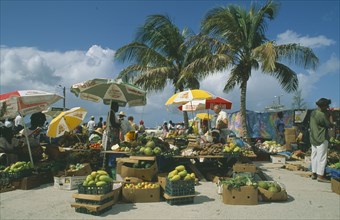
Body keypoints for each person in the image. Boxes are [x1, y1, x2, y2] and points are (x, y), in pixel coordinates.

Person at [309, 98, 334, 182]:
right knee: (322, 157)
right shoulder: (322, 115)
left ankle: (314, 173)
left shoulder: (313, 113)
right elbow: (330, 125)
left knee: (314, 156)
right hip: (321, 138)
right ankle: (320, 176)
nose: (328, 107)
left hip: (313, 137)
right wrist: (330, 116)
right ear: (323, 106)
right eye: (327, 105)